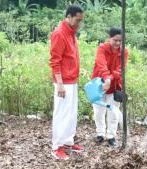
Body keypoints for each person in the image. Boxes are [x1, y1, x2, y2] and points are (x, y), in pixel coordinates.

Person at [49, 4, 85, 160]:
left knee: (71, 115)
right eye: (77, 20)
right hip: (63, 82)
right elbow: (55, 61)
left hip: (72, 80)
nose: (79, 23)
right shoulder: (59, 33)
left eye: (81, 20)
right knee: (61, 115)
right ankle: (56, 147)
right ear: (68, 17)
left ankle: (68, 142)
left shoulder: (72, 33)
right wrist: (60, 84)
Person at [91, 27, 128, 147]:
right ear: (109, 38)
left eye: (120, 41)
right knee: (98, 111)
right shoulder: (102, 48)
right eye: (115, 40)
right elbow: (101, 65)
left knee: (113, 112)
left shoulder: (124, 51)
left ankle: (111, 136)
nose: (117, 43)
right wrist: (106, 78)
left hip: (115, 85)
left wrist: (110, 79)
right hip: (99, 84)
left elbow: (120, 70)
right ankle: (100, 134)